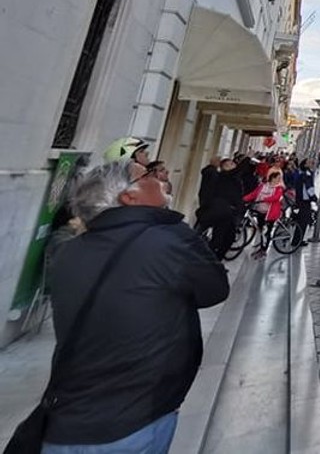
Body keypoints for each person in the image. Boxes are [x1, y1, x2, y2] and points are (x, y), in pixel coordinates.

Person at [39, 159, 228, 452]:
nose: (161, 179)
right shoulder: (163, 243)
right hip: (133, 421)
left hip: (66, 419)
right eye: (148, 175)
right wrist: (173, 223)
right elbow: (215, 289)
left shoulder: (69, 251)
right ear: (129, 197)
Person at [194, 157, 244, 259]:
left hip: (229, 212)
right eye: (231, 164)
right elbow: (239, 170)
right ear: (225, 167)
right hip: (223, 212)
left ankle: (215, 260)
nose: (234, 165)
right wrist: (247, 158)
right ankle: (211, 261)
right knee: (219, 238)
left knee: (228, 238)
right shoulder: (224, 176)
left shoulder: (232, 178)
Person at [243, 168, 286, 258]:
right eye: (277, 178)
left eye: (279, 178)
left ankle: (263, 250)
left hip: (270, 213)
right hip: (260, 211)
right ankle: (262, 245)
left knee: (267, 231)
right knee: (261, 229)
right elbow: (254, 194)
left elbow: (276, 197)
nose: (279, 180)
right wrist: (243, 199)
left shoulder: (279, 188)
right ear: (272, 178)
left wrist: (264, 199)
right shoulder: (263, 186)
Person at [289, 159, 317, 248]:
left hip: (300, 200)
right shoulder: (306, 175)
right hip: (304, 201)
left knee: (301, 221)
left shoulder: (303, 174)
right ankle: (297, 241)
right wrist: (314, 198)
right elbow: (309, 188)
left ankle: (297, 240)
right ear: (305, 165)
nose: (312, 163)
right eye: (309, 162)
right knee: (303, 221)